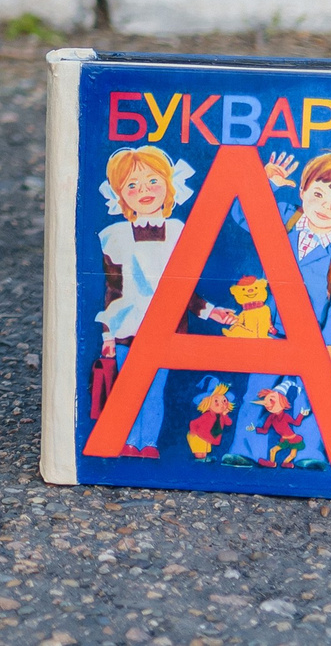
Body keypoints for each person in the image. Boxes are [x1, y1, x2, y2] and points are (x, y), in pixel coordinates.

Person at [221, 150, 331, 468]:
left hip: (314, 339)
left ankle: (308, 453)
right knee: (258, 390)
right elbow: (242, 214)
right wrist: (266, 183)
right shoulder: (284, 216)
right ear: (303, 191)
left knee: (310, 396)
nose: (326, 207)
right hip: (272, 330)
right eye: (319, 194)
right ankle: (246, 449)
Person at [94, 146, 199, 458]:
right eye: (132, 185)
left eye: (153, 181)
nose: (144, 191)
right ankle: (127, 440)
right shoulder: (115, 235)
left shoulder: (180, 232)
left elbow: (185, 286)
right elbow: (113, 288)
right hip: (127, 325)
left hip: (166, 326)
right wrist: (107, 335)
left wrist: (207, 310)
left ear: (168, 184)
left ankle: (148, 443)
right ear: (119, 195)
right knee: (128, 387)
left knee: (155, 388)